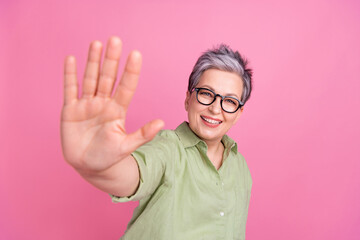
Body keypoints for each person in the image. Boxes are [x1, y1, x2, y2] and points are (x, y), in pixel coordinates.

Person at [61, 36, 253, 240]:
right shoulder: (168, 148)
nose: (215, 108)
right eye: (206, 94)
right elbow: (133, 175)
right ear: (188, 99)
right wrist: (103, 166)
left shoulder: (240, 167)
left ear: (239, 113)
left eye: (230, 101)